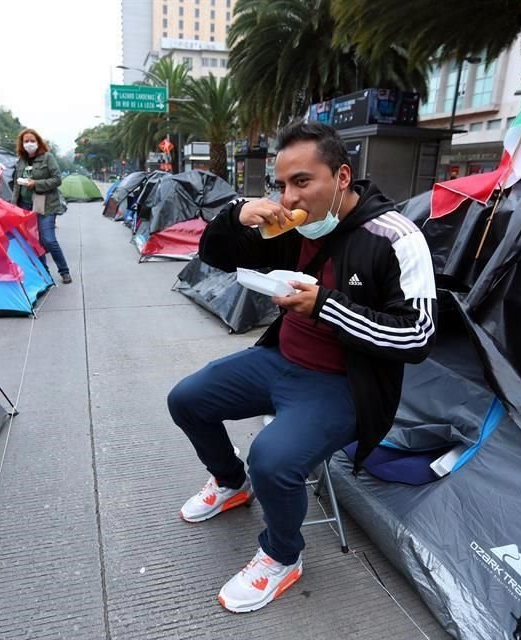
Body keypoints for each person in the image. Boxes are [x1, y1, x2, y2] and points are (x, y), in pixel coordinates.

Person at [167, 121, 436, 613]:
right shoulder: (291, 226)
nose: (289, 196)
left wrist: (326, 306)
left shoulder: (395, 237)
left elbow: (417, 335)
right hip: (279, 359)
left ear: (342, 177)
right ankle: (230, 482)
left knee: (272, 457)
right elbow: (214, 256)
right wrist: (237, 214)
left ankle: (282, 556)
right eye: (281, 184)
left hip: (342, 386)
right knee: (186, 398)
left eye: (302, 182)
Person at [11, 128, 71, 284]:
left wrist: (36, 184)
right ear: (21, 144)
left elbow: (57, 179)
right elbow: (17, 186)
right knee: (33, 241)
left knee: (48, 239)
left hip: (46, 204)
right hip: (25, 205)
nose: (29, 144)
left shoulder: (47, 158)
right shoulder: (21, 161)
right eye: (26, 141)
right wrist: (13, 206)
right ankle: (45, 273)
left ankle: (64, 271)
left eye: (32, 141)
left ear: (38, 142)